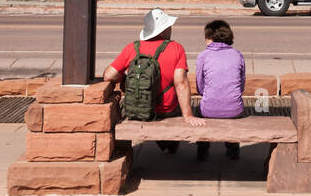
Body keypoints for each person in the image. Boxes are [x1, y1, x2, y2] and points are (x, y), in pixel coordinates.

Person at [102, 8, 203, 151]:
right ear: (162, 30)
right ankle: (170, 143)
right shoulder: (176, 48)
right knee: (177, 107)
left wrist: (125, 78)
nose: (170, 28)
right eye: (168, 26)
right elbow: (181, 84)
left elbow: (108, 76)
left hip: (137, 109)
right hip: (166, 110)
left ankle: (164, 141)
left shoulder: (132, 48)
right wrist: (188, 115)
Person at [194, 19, 247, 161]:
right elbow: (241, 87)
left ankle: (202, 151)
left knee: (199, 112)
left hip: (208, 110)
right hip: (234, 109)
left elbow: (200, 86)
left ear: (209, 39)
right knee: (235, 107)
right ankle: (233, 149)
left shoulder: (203, 56)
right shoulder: (237, 55)